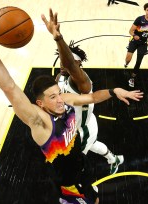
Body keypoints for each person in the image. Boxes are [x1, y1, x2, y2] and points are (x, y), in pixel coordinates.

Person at [0, 10, 143, 204]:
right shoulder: (39, 121)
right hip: (69, 186)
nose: (60, 100)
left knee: (95, 195)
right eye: (53, 97)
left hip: (81, 167)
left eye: (59, 93)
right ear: (40, 104)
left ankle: (98, 175)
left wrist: (114, 91)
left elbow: (91, 96)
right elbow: (9, 87)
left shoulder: (65, 98)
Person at [42, 9, 124, 175]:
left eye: (69, 61)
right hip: (72, 125)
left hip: (83, 129)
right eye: (61, 58)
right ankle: (114, 158)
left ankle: (83, 187)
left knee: (75, 162)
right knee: (93, 145)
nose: (62, 63)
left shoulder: (82, 82)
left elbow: (70, 64)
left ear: (78, 64)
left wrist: (58, 37)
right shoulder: (60, 77)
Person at [124, 2, 148, 88]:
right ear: (145, 10)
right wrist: (134, 35)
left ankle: (132, 78)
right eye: (147, 10)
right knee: (128, 59)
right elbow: (130, 31)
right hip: (134, 41)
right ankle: (126, 63)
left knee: (138, 61)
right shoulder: (139, 19)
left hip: (143, 43)